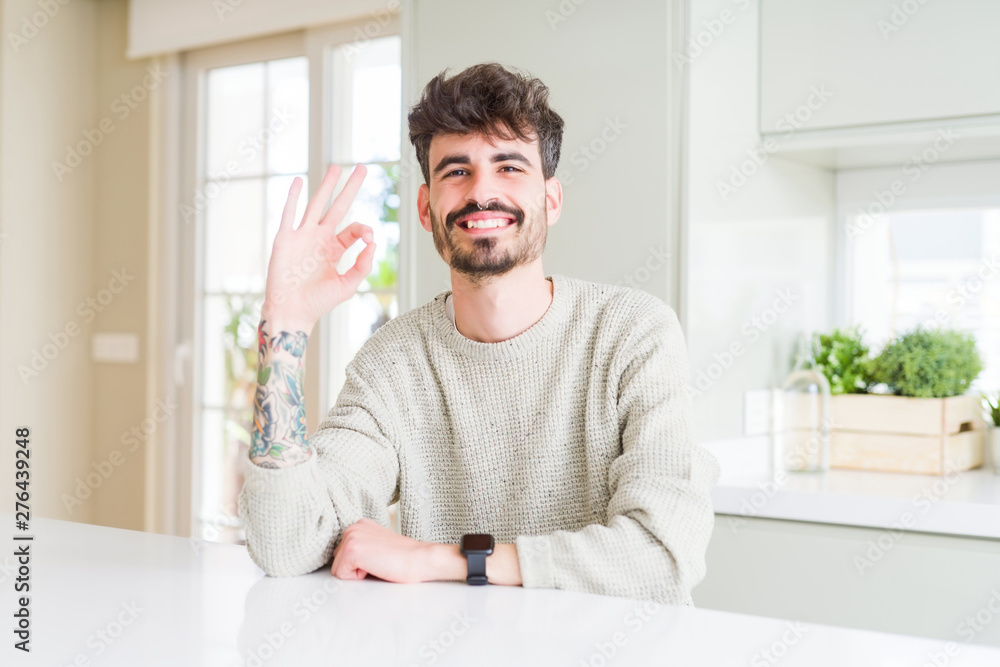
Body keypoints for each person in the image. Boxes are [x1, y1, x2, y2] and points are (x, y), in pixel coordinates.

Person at [237, 62, 719, 605]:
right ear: (426, 208)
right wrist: (285, 326)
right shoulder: (392, 363)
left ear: (551, 200)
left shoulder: (633, 333)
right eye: (456, 171)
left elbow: (662, 553)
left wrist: (439, 559)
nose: (481, 192)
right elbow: (286, 543)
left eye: (509, 166)